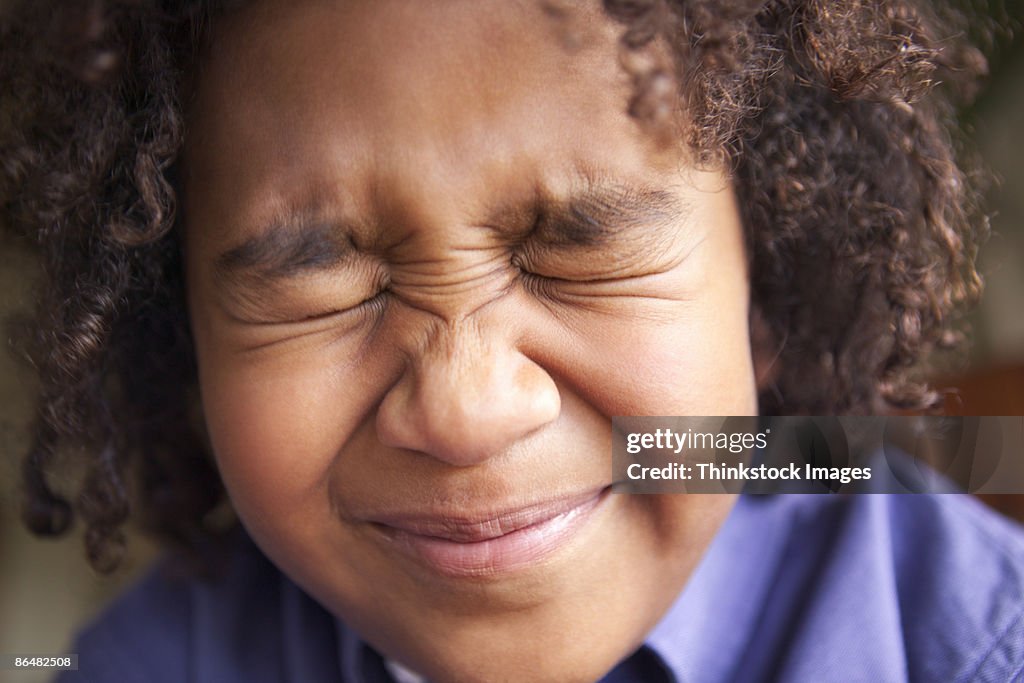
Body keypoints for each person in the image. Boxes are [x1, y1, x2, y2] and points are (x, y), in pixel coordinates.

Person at [1, 1, 1021, 681]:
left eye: (582, 250)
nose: (464, 412)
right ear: (182, 339)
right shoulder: (156, 659)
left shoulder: (975, 642)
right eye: (320, 288)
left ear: (768, 281)